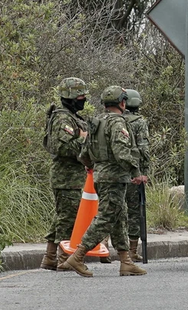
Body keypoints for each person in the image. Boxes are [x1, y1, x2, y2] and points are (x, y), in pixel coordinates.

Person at [59, 86, 148, 277]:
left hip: (101, 175)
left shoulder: (97, 121)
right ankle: (78, 255)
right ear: (122, 102)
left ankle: (126, 261)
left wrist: (90, 164)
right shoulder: (118, 123)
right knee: (107, 218)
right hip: (114, 177)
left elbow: (84, 151)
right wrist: (136, 171)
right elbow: (121, 152)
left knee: (119, 217)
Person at [40, 77, 89, 271]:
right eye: (80, 95)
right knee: (69, 219)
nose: (83, 99)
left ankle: (50, 257)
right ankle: (64, 258)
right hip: (67, 178)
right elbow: (62, 147)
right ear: (70, 96)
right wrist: (84, 140)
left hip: (73, 178)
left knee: (63, 216)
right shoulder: (62, 118)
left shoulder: (72, 117)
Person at [123, 89, 150, 262]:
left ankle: (104, 245)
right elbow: (143, 149)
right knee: (134, 211)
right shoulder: (139, 123)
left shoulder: (113, 120)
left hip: (113, 172)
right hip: (134, 172)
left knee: (111, 210)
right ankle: (132, 250)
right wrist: (144, 172)